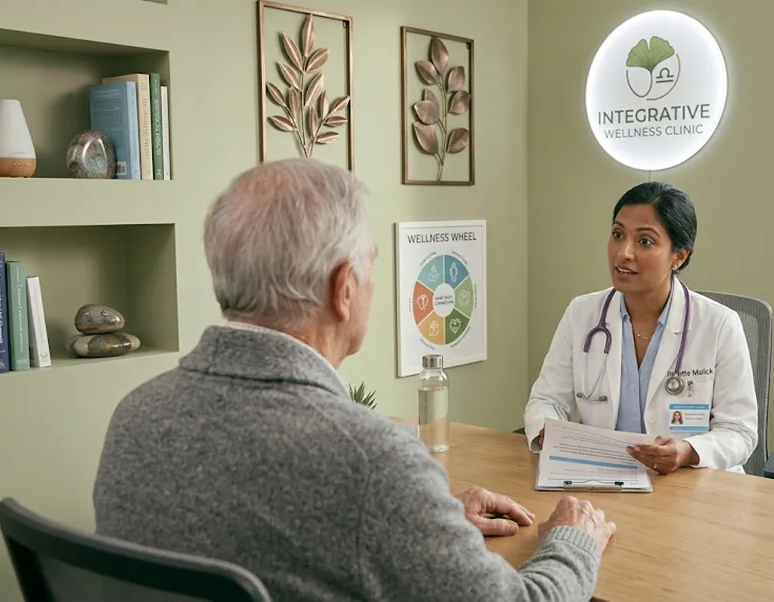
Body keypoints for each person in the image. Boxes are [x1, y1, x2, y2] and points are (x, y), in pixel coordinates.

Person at [92, 158, 616, 602]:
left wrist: (421, 521)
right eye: (370, 264)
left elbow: (250, 530)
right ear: (344, 288)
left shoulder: (136, 415)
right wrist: (573, 541)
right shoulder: (370, 462)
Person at [523, 181, 758, 474]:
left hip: (692, 485)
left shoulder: (719, 324)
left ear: (679, 256)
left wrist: (689, 451)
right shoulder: (582, 313)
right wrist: (547, 430)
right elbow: (547, 400)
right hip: (603, 477)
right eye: (618, 235)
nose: (624, 252)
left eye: (645, 241)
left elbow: (739, 432)